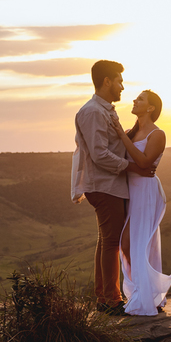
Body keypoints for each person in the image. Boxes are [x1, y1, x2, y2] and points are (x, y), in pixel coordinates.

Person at [70, 60, 152, 315]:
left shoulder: (104, 110)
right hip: (104, 184)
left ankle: (104, 297)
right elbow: (99, 154)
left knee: (106, 240)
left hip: (109, 184)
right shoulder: (93, 111)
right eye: (119, 81)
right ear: (107, 81)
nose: (122, 87)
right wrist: (132, 167)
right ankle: (111, 301)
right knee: (112, 242)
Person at [112, 90, 171, 315]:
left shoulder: (157, 134)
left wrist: (122, 136)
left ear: (150, 108)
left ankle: (146, 296)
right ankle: (144, 292)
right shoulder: (132, 133)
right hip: (131, 191)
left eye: (140, 99)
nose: (134, 101)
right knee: (129, 245)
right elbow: (136, 165)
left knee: (137, 244)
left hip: (146, 192)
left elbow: (145, 162)